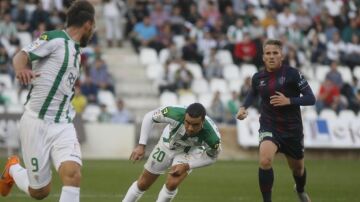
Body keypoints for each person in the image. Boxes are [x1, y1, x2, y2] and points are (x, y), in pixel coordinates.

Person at [0, 1, 95, 202]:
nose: (93, 31)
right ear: (88, 24)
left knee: (73, 174)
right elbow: (21, 55)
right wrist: (21, 69)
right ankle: (13, 168)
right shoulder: (56, 39)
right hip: (36, 123)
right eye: (93, 26)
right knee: (39, 192)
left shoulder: (77, 53)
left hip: (63, 123)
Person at [236, 39, 315, 202]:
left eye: (275, 53)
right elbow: (252, 93)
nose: (271, 56)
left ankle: (300, 189)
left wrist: (290, 100)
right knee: (265, 160)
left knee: (298, 169)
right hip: (269, 124)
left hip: (292, 129)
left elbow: (311, 98)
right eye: (268, 53)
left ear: (282, 56)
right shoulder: (258, 77)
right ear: (263, 57)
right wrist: (243, 107)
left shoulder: (293, 74)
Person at [122, 103, 221, 202]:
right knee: (144, 183)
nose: (190, 128)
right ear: (184, 116)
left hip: (190, 151)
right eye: (187, 122)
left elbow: (212, 157)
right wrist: (141, 145)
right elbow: (149, 117)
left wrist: (187, 166)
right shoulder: (173, 113)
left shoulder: (213, 137)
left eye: (195, 125)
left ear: (202, 121)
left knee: (172, 183)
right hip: (167, 144)